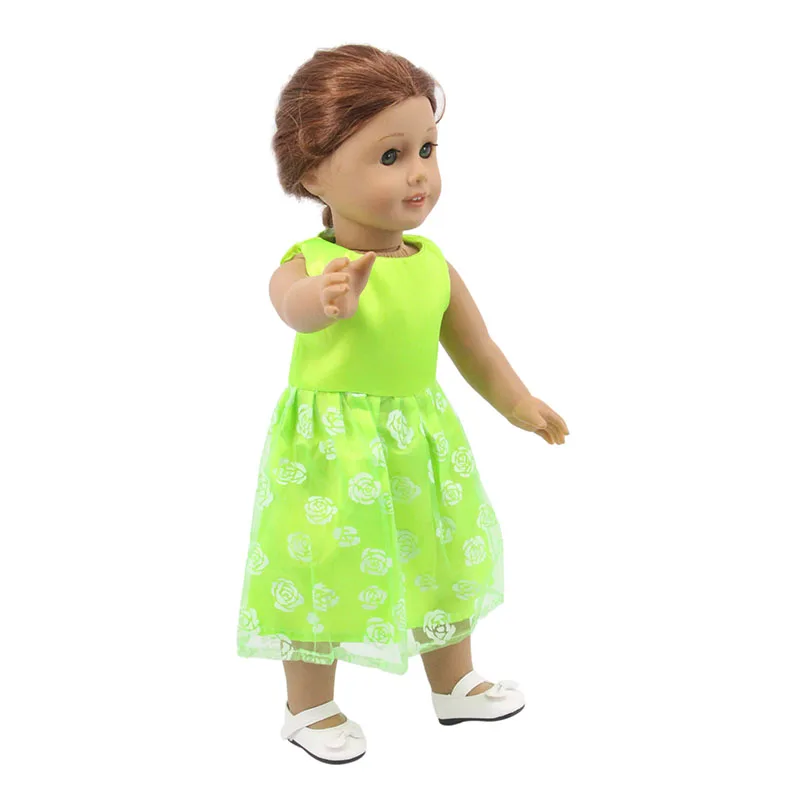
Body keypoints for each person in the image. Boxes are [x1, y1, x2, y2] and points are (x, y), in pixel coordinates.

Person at [237, 43, 569, 764]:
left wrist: (519, 403)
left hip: (420, 439)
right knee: (320, 565)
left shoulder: (434, 265)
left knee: (440, 553)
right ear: (312, 173)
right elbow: (291, 307)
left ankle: (454, 682)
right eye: (390, 156)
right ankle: (308, 705)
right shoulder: (308, 264)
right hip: (331, 451)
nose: (418, 172)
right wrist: (323, 299)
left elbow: (476, 347)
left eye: (426, 149)